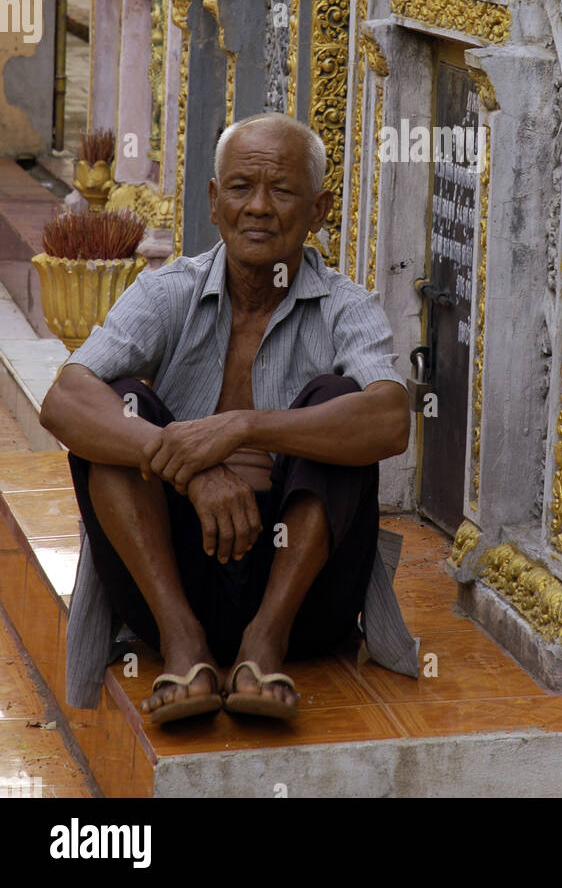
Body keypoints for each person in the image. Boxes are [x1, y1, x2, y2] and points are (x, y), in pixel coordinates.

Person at [40, 114, 412, 725]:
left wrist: (244, 427)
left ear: (318, 210)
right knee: (121, 403)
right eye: (240, 188)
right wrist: (192, 470)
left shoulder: (349, 305)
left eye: (283, 191)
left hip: (301, 597)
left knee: (337, 401)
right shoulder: (168, 291)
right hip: (176, 579)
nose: (259, 208)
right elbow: (65, 400)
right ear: (215, 202)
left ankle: (264, 643)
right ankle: (183, 642)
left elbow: (391, 420)